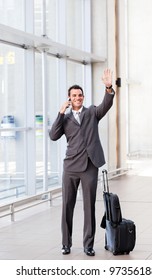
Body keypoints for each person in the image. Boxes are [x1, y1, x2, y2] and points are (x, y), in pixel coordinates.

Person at [49, 68, 116, 256]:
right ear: (69, 99)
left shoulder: (92, 113)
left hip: (89, 166)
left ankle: (88, 245)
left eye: (80, 95)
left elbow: (106, 104)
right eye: (74, 95)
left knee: (89, 207)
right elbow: (53, 135)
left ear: (83, 97)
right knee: (67, 206)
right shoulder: (65, 118)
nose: (77, 97)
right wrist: (60, 113)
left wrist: (109, 87)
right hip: (70, 167)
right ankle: (66, 244)